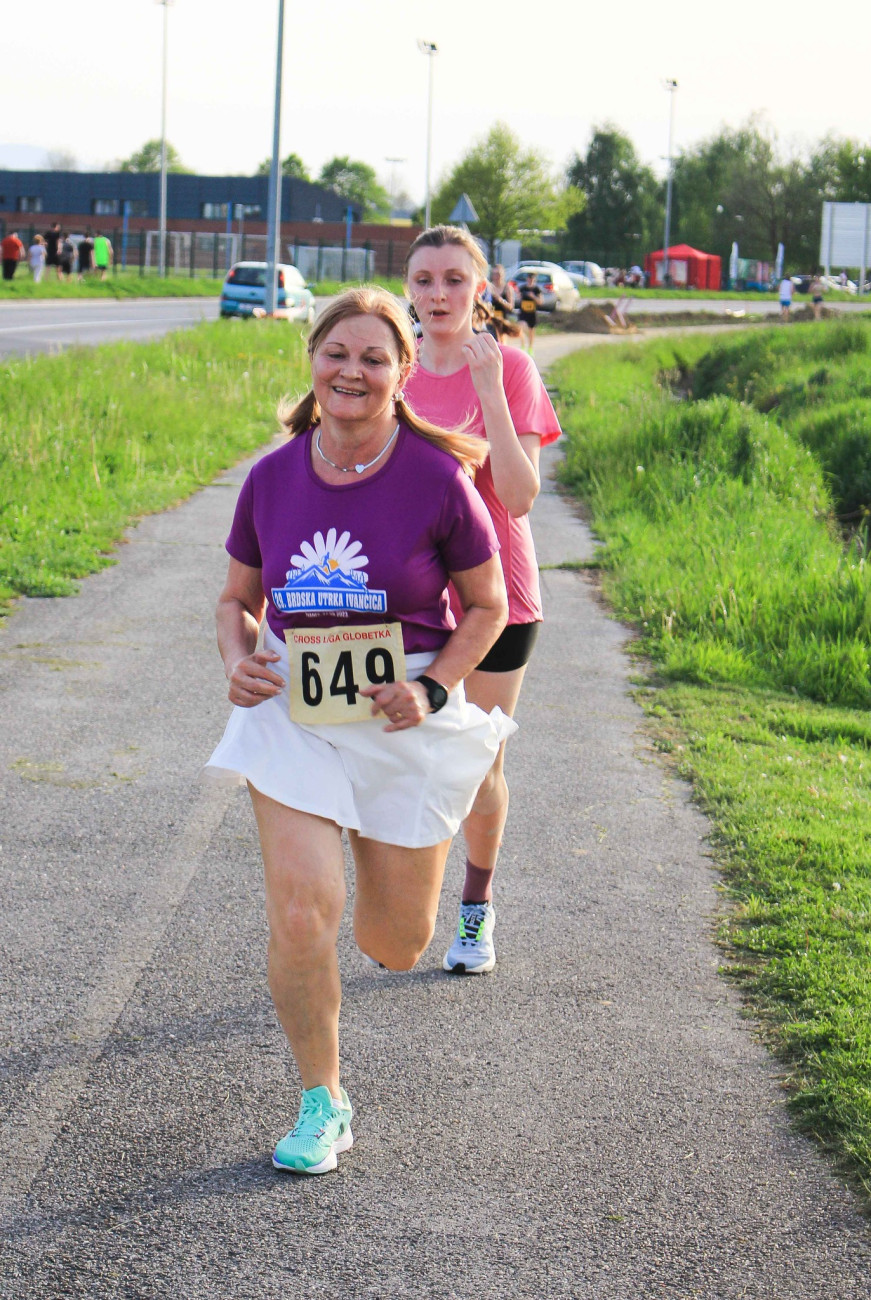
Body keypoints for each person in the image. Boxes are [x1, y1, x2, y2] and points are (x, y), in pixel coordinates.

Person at [207, 286, 513, 1174]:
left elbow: (488, 606)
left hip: (399, 715)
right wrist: (238, 657)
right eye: (336, 353)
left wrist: (432, 686)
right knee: (303, 909)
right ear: (312, 359)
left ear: (402, 373)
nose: (352, 371)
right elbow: (235, 600)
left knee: (395, 944)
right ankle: (322, 1100)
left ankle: (439, 861)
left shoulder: (436, 478)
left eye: (374, 358)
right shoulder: (271, 477)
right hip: (293, 715)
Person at [404, 224, 562, 975]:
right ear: (407, 288)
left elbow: (521, 497)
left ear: (481, 286)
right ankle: (406, 909)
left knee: (477, 764)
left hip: (499, 598)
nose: (438, 295)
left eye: (453, 280)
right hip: (412, 597)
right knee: (412, 755)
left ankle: (475, 907)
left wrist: (489, 388)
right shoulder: (394, 367)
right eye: (424, 280)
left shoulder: (513, 367)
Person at [516, 270, 542, 354]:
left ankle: (530, 348)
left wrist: (533, 296)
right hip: (523, 312)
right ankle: (523, 345)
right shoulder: (523, 288)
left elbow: (540, 302)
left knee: (531, 331)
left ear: (534, 280)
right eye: (529, 278)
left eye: (532, 279)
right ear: (527, 279)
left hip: (532, 312)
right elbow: (518, 298)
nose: (530, 280)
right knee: (521, 327)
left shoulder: (536, 289)